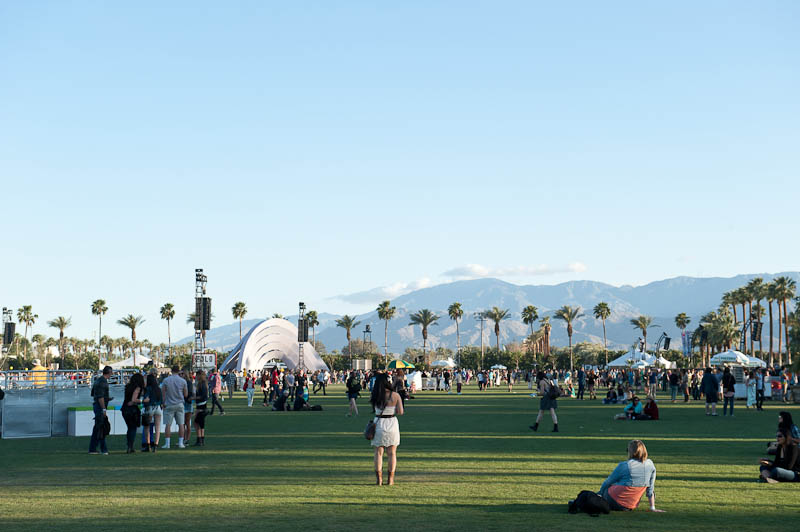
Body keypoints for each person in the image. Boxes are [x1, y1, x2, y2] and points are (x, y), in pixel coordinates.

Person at [598, 440, 663, 511]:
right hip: (630, 505)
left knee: (610, 485)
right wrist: (652, 507)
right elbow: (650, 489)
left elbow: (608, 482)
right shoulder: (650, 465)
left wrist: (600, 494)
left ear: (630, 452)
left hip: (613, 500)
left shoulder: (624, 465)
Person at [370, 373, 404, 485]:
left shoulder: (375, 394)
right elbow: (400, 412)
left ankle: (379, 479)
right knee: (392, 453)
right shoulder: (395, 395)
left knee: (378, 453)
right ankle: (390, 479)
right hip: (392, 423)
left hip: (378, 423)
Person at [160, 365, 188, 449]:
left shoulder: (166, 380)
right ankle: (181, 443)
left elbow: (163, 393)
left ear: (171, 371)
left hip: (169, 404)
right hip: (179, 404)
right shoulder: (183, 381)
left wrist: (163, 402)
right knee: (181, 424)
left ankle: (167, 443)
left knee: (168, 424)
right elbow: (186, 394)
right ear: (179, 371)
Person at [88, 366, 113, 455]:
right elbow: (100, 397)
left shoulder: (98, 380)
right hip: (100, 407)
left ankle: (92, 448)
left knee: (97, 428)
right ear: (109, 373)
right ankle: (103, 449)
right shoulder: (103, 382)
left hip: (97, 405)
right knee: (101, 428)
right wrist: (103, 409)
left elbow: (94, 394)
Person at [121, 373, 144, 453]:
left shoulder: (127, 386)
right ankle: (130, 446)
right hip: (132, 410)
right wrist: (142, 401)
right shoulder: (137, 388)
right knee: (132, 428)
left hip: (124, 409)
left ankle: (129, 445)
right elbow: (134, 399)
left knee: (129, 428)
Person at [143, 372, 162, 452]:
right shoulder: (158, 389)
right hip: (158, 408)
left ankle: (148, 445)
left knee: (147, 427)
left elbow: (146, 399)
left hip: (150, 407)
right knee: (157, 428)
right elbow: (161, 400)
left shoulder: (148, 388)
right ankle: (156, 445)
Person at [193, 370, 209, 446]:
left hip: (201, 405)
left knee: (197, 422)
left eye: (197, 375)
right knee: (201, 423)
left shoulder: (202, 384)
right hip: (203, 405)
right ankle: (201, 439)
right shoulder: (203, 383)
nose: (196, 377)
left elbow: (203, 396)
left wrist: (194, 398)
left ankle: (199, 439)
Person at [181, 369, 195, 444]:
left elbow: (189, 393)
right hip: (184, 403)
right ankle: (183, 439)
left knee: (186, 422)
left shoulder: (188, 382)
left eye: (182, 374)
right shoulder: (184, 382)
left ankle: (187, 439)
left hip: (187, 403)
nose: (180, 375)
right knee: (182, 423)